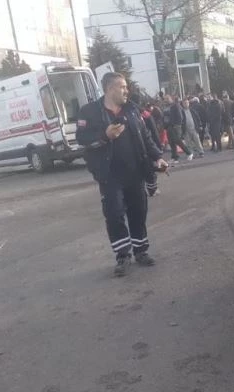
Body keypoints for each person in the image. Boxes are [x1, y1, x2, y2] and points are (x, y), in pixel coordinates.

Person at [76, 72, 168, 277]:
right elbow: (82, 139)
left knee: (138, 212)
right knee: (114, 214)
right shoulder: (89, 112)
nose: (127, 91)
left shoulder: (132, 109)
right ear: (109, 89)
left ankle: (141, 251)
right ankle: (123, 255)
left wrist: (157, 157)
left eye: (126, 87)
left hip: (135, 172)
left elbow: (145, 137)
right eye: (122, 87)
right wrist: (105, 136)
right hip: (109, 175)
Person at [129, 93, 162, 197]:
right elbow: (153, 131)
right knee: (149, 169)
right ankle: (152, 189)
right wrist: (158, 147)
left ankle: (143, 188)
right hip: (146, 146)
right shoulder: (144, 114)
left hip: (134, 147)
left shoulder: (128, 112)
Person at [163, 95, 192, 163]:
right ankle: (175, 157)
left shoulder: (175, 106)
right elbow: (164, 116)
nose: (166, 100)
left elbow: (180, 116)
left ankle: (189, 152)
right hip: (168, 126)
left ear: (171, 99)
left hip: (175, 126)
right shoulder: (165, 107)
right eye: (165, 99)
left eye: (167, 99)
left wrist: (177, 125)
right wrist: (164, 125)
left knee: (177, 140)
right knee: (171, 142)